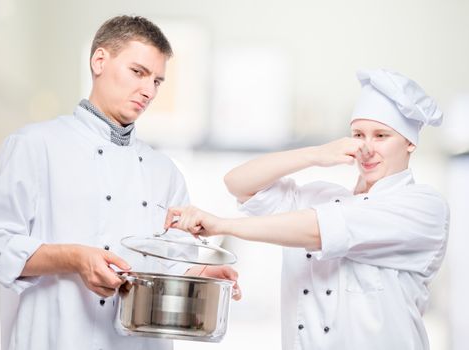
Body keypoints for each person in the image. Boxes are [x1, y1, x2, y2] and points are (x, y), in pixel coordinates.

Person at [0, 15, 239, 350]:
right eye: (138, 72)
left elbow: (167, 266)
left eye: (157, 81)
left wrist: (197, 277)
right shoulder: (35, 146)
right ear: (99, 61)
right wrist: (73, 258)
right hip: (56, 338)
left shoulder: (164, 171)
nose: (148, 90)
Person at [165, 69, 449, 350]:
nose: (367, 147)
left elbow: (317, 230)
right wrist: (315, 154)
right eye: (359, 134)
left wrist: (222, 224)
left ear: (410, 142)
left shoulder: (422, 206)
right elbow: (238, 183)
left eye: (381, 136)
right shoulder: (322, 196)